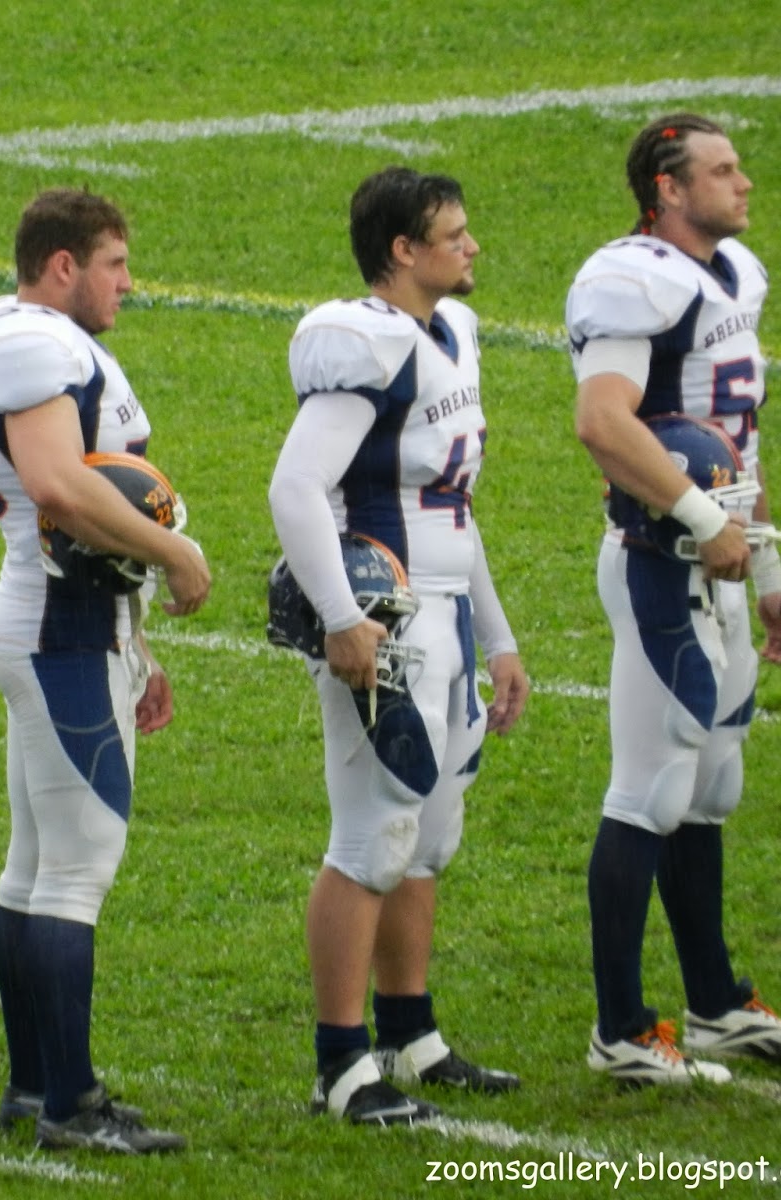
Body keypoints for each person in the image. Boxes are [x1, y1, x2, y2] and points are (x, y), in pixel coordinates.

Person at [567, 113, 781, 1083]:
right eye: (722, 170)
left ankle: (716, 1005)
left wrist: (766, 570)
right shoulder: (627, 277)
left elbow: (736, 436)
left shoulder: (736, 275)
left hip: (723, 561)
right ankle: (619, 1030)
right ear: (667, 189)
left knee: (709, 789)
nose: (745, 182)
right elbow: (602, 422)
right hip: (659, 561)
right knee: (647, 788)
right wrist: (698, 518)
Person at [0, 188, 211, 1155]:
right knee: (74, 873)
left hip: (70, 618)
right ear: (62, 265)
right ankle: (70, 1103)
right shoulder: (33, 344)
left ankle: (34, 1087)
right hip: (59, 622)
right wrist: (176, 555)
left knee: (34, 867)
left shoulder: (13, 331)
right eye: (114, 264)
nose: (127, 284)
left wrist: (138, 644)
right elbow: (61, 487)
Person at [267, 167, 529, 1127]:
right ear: (402, 252)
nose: (471, 249)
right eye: (453, 236)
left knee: (428, 841)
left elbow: (454, 508)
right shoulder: (366, 341)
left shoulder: (452, 334)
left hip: (450, 612)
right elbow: (296, 489)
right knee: (372, 837)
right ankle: (340, 1065)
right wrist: (342, 619)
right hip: (391, 621)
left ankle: (409, 1033)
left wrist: (497, 636)